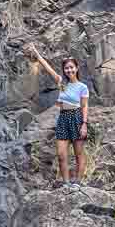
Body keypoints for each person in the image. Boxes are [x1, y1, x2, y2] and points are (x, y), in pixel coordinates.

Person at [29, 44, 89, 184]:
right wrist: (37, 54)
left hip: (77, 118)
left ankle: (78, 183)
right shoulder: (62, 83)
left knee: (79, 153)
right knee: (61, 155)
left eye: (71, 67)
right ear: (64, 70)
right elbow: (48, 68)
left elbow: (85, 106)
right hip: (63, 119)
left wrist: (84, 124)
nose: (69, 70)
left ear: (76, 68)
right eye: (66, 68)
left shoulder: (82, 87)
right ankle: (66, 183)